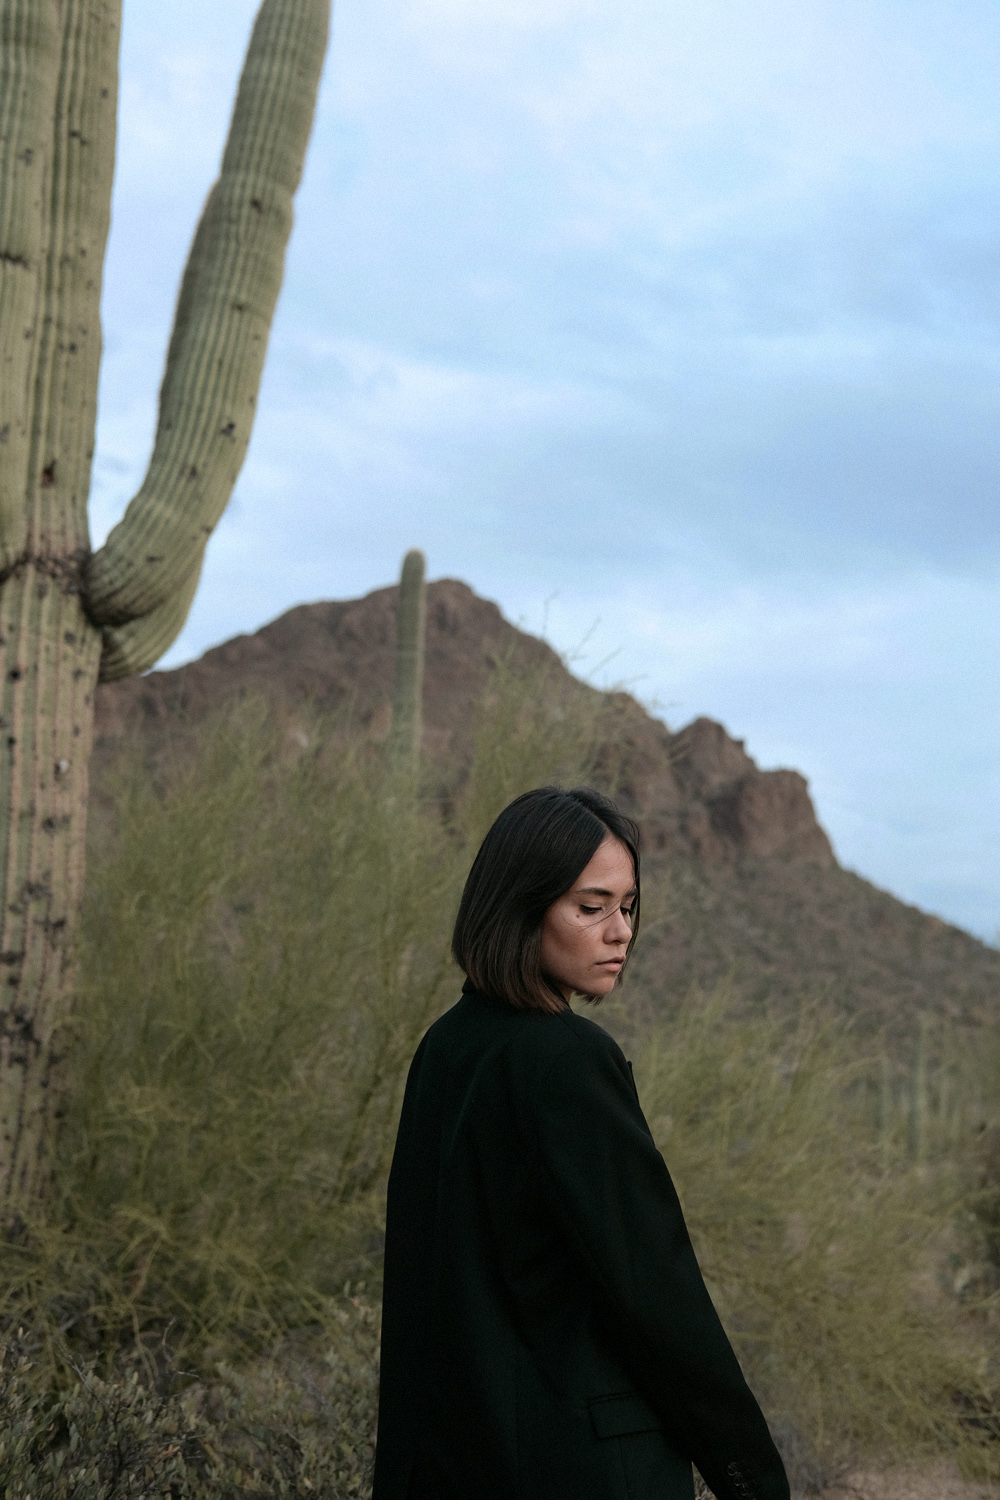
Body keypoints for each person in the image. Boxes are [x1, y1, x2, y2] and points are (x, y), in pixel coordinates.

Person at [372, 786, 790, 1500]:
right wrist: (752, 1479)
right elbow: (656, 1293)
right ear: (520, 907)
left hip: (457, 1466)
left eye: (628, 906)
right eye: (591, 907)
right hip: (583, 1467)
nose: (620, 932)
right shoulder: (569, 1059)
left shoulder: (445, 1046)